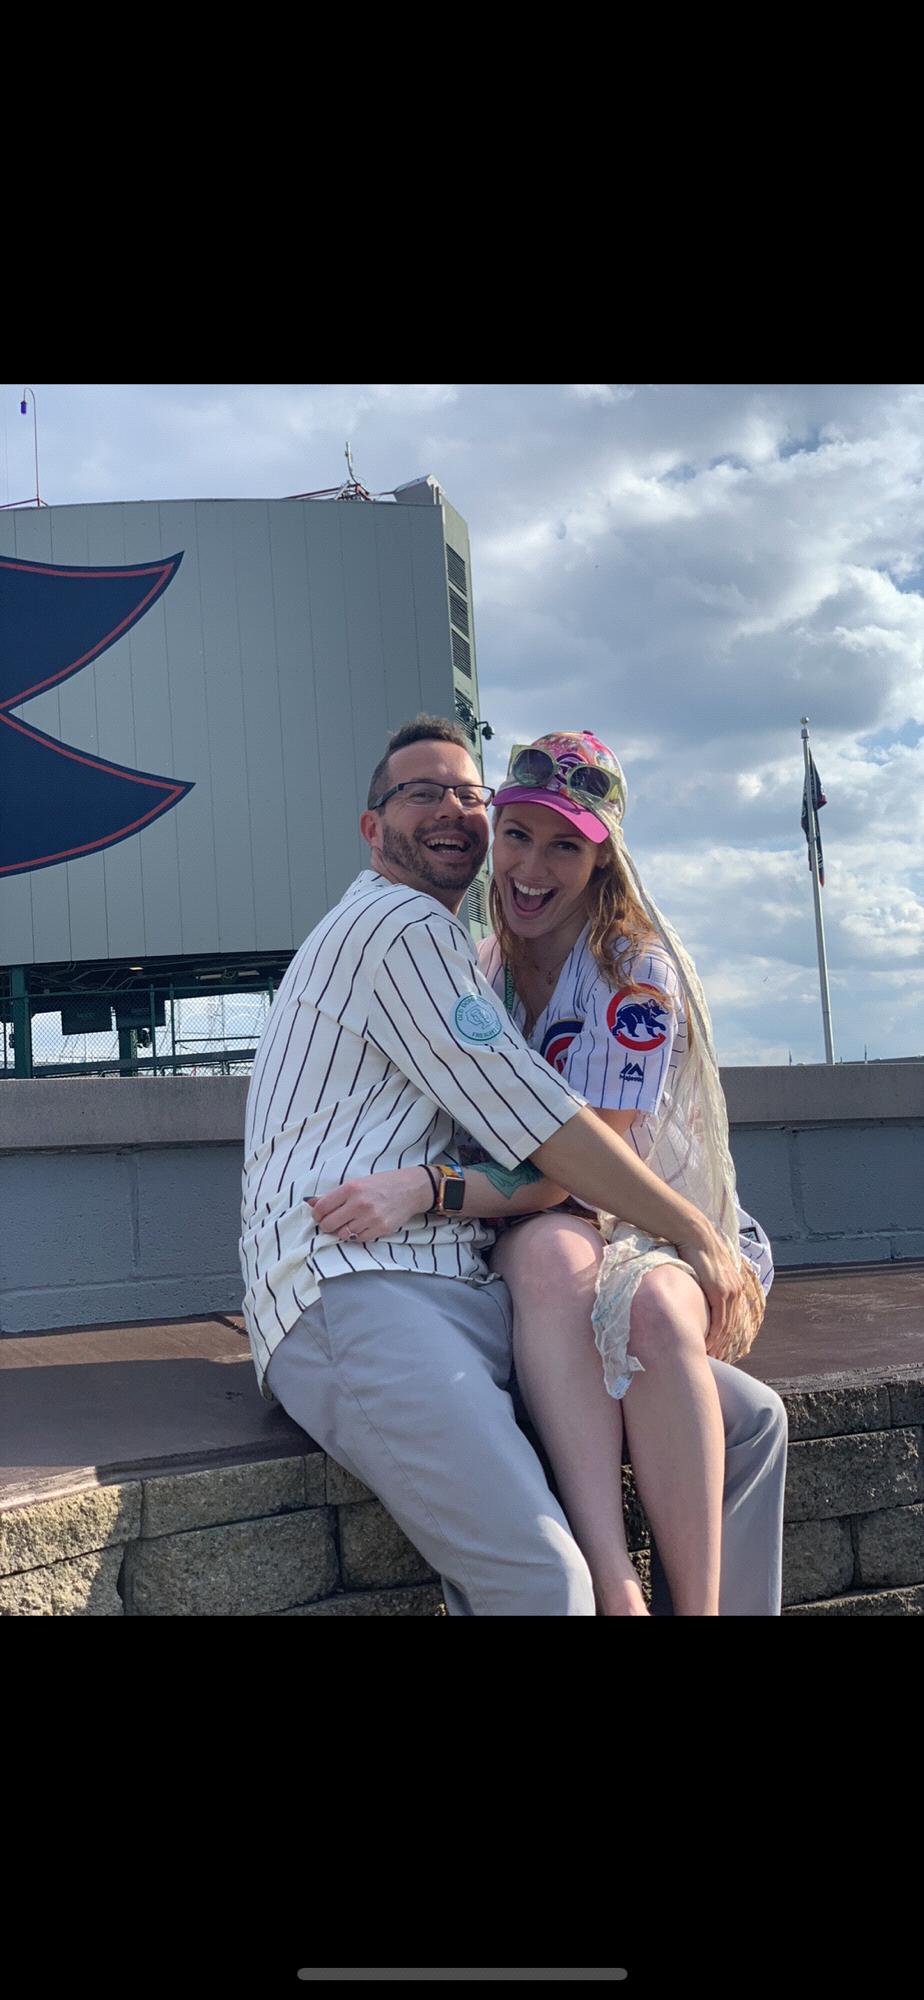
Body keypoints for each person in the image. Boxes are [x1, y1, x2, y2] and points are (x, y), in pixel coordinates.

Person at [241, 715, 782, 1616]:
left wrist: (430, 1188)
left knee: (751, 1423)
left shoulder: (518, 958)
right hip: (360, 1284)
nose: (450, 809)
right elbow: (551, 1136)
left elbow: (554, 1149)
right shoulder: (404, 929)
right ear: (372, 828)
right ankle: (618, 1589)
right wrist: (695, 1232)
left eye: (466, 793)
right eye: (420, 792)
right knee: (543, 1583)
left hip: (468, 1281)